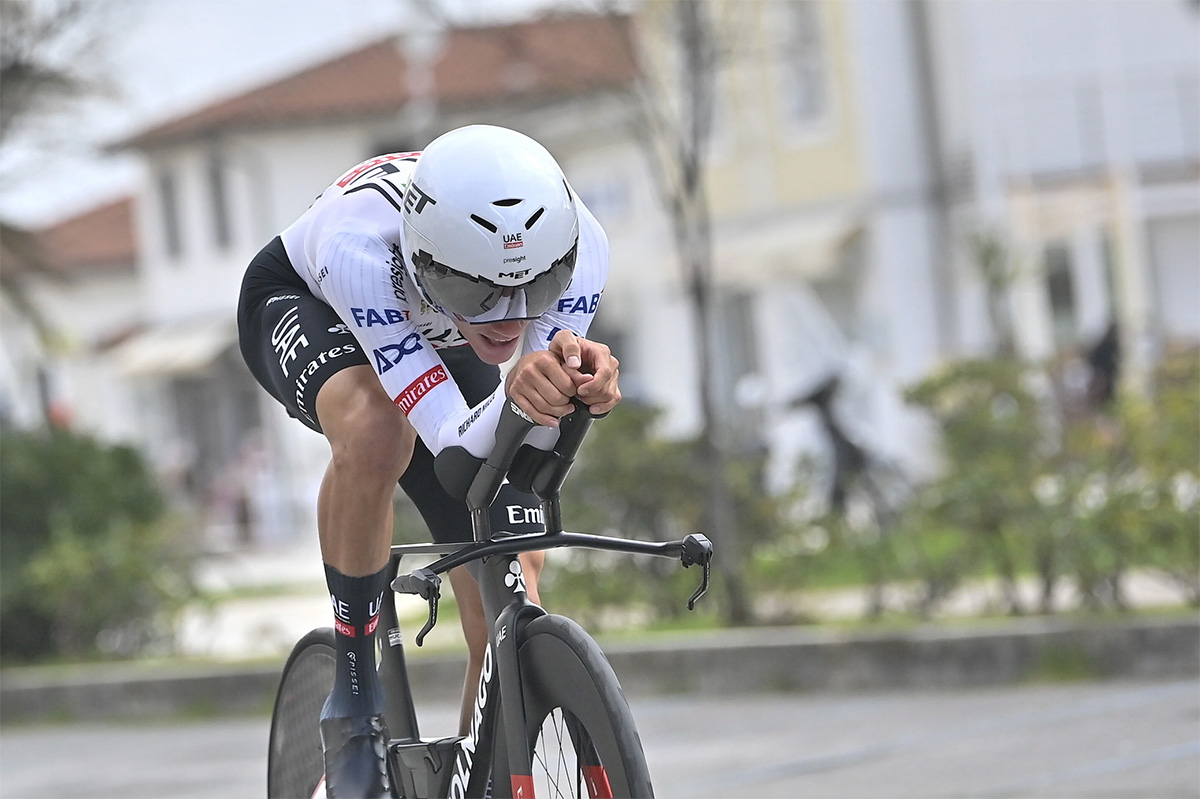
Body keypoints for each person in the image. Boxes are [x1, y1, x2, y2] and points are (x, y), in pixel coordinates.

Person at [236, 125, 621, 797]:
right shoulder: (359, 252)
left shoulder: (581, 246)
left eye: (533, 288)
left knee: (513, 574)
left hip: (444, 328)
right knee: (380, 431)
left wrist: (577, 386)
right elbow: (452, 445)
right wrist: (524, 396)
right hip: (312, 303)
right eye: (485, 293)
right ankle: (354, 695)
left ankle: (482, 775)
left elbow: (521, 442)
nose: (509, 319)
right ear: (424, 261)